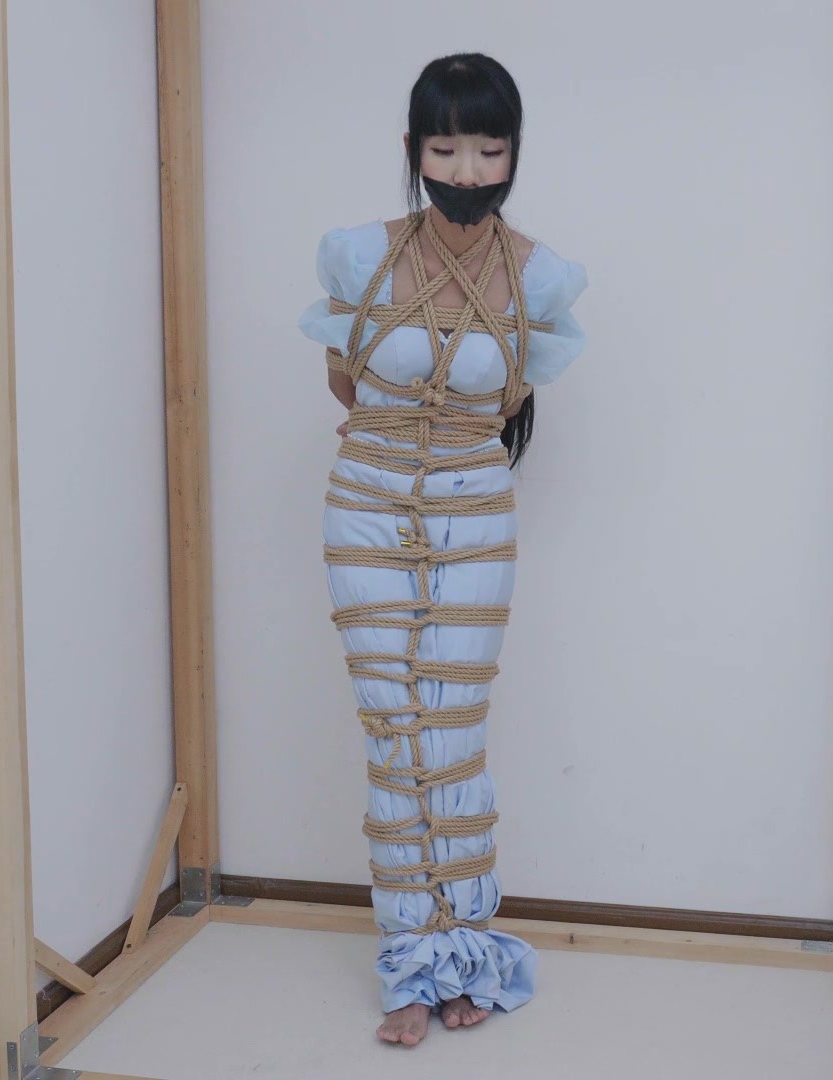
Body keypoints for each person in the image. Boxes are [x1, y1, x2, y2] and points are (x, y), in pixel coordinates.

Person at [298, 51, 588, 1047]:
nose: (468, 171)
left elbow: (505, 399)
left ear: (515, 152)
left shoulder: (540, 277)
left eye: (489, 150)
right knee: (394, 729)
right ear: (414, 148)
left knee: (450, 734)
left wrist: (439, 445)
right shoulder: (358, 257)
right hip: (367, 503)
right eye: (447, 148)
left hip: (474, 509)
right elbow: (345, 379)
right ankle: (410, 962)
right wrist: (398, 443)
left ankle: (465, 955)